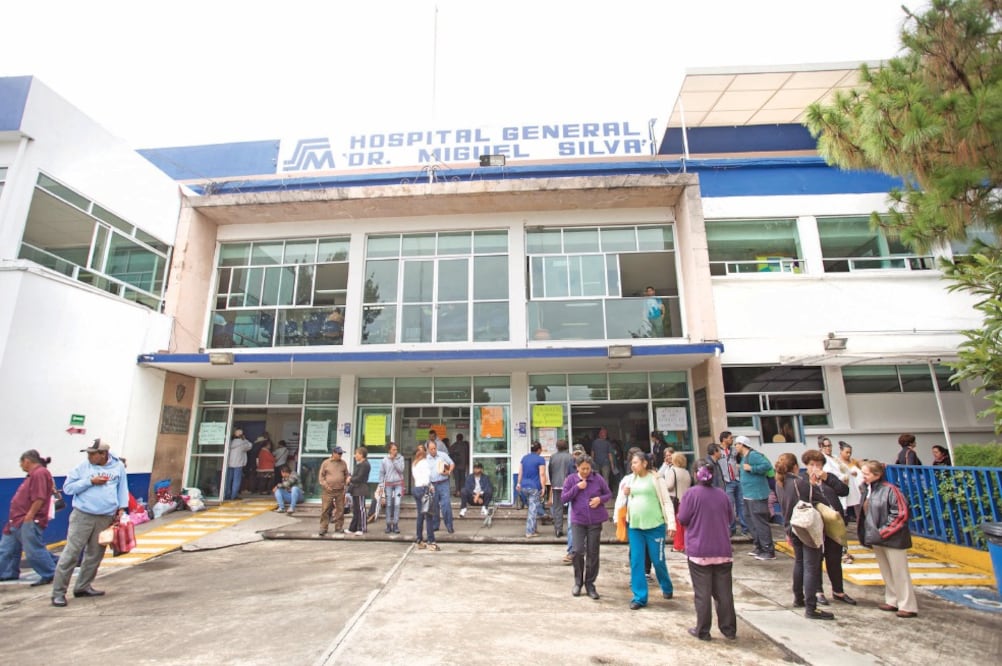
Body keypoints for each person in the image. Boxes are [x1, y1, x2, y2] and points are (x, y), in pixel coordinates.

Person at [51, 439, 129, 608]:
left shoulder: (118, 467)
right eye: (88, 454)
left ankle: (83, 587)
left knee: (95, 554)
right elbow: (68, 488)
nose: (90, 457)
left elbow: (122, 488)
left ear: (104, 454)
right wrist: (89, 482)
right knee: (71, 553)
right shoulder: (82, 467)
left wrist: (121, 509)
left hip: (105, 517)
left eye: (93, 454)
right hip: (83, 515)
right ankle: (58, 593)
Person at [677, 462, 737, 641]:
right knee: (724, 593)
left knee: (702, 593)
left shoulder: (691, 494)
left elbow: (683, 518)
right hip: (722, 549)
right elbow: (730, 518)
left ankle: (703, 630)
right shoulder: (722, 494)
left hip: (699, 550)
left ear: (696, 474)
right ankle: (729, 629)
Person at [859, 460, 918, 618]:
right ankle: (892, 600)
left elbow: (901, 513)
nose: (863, 476)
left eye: (866, 474)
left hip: (892, 538)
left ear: (877, 475)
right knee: (886, 571)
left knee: (899, 572)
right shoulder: (868, 489)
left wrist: (883, 531)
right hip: (877, 536)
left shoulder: (891, 490)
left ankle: (907, 605)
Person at [621, 451, 675, 610]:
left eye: (636, 462)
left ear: (645, 463)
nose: (633, 465)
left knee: (658, 561)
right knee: (636, 561)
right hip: (635, 527)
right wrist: (626, 495)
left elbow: (666, 502)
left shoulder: (656, 479)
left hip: (655, 527)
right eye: (632, 463)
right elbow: (624, 500)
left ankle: (666, 586)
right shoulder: (631, 479)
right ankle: (639, 597)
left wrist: (671, 523)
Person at [0, 450, 58, 585]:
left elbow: (39, 497)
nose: (21, 466)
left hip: (27, 520)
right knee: (6, 549)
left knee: (33, 550)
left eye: (21, 463)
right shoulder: (33, 475)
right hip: (15, 521)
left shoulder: (40, 473)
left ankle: (50, 573)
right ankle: (8, 572)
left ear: (27, 460)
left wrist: (30, 515)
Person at [561, 455, 612, 600]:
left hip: (595, 522)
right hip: (578, 521)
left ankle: (590, 584)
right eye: (582, 469)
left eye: (588, 469)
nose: (585, 471)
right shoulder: (571, 479)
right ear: (577, 467)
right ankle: (578, 582)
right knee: (577, 551)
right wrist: (577, 488)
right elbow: (564, 498)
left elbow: (608, 494)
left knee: (593, 553)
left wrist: (599, 500)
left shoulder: (597, 479)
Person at [734, 436, 775, 560]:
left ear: (742, 444)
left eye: (737, 444)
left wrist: (752, 468)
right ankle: (759, 546)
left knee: (760, 522)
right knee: (750, 521)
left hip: (757, 494)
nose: (735, 446)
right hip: (748, 495)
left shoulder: (753, 455)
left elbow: (767, 465)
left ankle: (768, 550)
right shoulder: (744, 458)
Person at [717, 432, 748, 536]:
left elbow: (741, 460)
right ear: (724, 439)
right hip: (727, 481)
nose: (732, 440)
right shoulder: (717, 450)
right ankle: (731, 528)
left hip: (737, 480)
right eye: (730, 438)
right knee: (730, 505)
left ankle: (745, 528)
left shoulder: (734, 450)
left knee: (741, 504)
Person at [662, 452, 693, 553]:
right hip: (686, 501)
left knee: (677, 524)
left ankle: (678, 545)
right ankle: (686, 544)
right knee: (684, 525)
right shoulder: (686, 472)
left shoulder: (672, 471)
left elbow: (669, 485)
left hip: (675, 500)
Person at [516, 441, 548, 538]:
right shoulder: (540, 459)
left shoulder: (524, 458)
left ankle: (534, 529)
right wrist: (543, 487)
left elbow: (520, 472)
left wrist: (518, 483)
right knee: (532, 510)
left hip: (523, 486)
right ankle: (529, 532)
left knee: (532, 508)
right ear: (539, 450)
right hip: (534, 487)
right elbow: (542, 474)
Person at [411, 444, 438, 551]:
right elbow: (427, 477)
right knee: (429, 516)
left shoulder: (414, 463)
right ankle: (431, 541)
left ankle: (419, 540)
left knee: (420, 515)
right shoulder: (425, 462)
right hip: (424, 489)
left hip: (416, 488)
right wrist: (430, 487)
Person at [426, 436, 455, 535]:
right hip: (433, 484)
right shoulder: (426, 459)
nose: (434, 450)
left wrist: (449, 471)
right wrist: (429, 485)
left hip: (444, 483)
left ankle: (449, 525)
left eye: (435, 448)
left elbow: (452, 463)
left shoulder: (443, 455)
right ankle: (435, 526)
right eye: (431, 449)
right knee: (434, 506)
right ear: (428, 449)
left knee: (446, 504)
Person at [318, 446, 349, 537]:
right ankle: (323, 527)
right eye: (339, 454)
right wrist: (325, 485)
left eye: (341, 454)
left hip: (340, 490)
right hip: (328, 490)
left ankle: (339, 527)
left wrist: (346, 483)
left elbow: (346, 474)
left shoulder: (343, 463)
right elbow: (321, 476)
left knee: (340, 509)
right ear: (334, 453)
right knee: (326, 509)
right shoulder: (326, 463)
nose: (340, 455)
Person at [548, 438, 574, 537]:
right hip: (569, 485)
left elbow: (550, 471)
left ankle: (558, 529)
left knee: (557, 508)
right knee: (571, 507)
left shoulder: (553, 457)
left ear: (557, 447)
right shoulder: (570, 457)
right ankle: (571, 529)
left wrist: (552, 482)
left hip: (556, 485)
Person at [379, 442, 405, 534]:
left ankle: (396, 524)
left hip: (398, 484)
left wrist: (394, 460)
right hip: (388, 484)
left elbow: (401, 469)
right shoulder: (384, 460)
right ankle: (388, 524)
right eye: (393, 449)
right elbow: (382, 473)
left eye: (396, 449)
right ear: (389, 450)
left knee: (397, 504)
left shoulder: (400, 458)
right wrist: (381, 486)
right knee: (389, 504)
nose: (395, 451)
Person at [347, 447, 370, 536]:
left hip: (360, 489)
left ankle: (362, 528)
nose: (355, 455)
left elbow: (359, 477)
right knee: (355, 509)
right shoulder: (359, 464)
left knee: (361, 509)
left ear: (361, 454)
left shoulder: (365, 464)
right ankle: (353, 528)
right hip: (355, 489)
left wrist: (350, 479)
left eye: (357, 453)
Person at [224, 428, 252, 500]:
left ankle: (227, 494)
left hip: (229, 463)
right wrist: (245, 439)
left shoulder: (230, 442)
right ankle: (234, 495)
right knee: (236, 480)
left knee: (228, 480)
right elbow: (250, 446)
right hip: (238, 463)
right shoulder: (243, 443)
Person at [450, 433, 469, 497]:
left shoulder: (454, 445)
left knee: (457, 479)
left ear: (457, 438)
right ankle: (462, 492)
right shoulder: (465, 446)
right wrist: (467, 463)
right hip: (463, 465)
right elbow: (467, 455)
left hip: (456, 465)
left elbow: (450, 454)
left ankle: (457, 492)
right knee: (462, 479)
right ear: (462, 438)